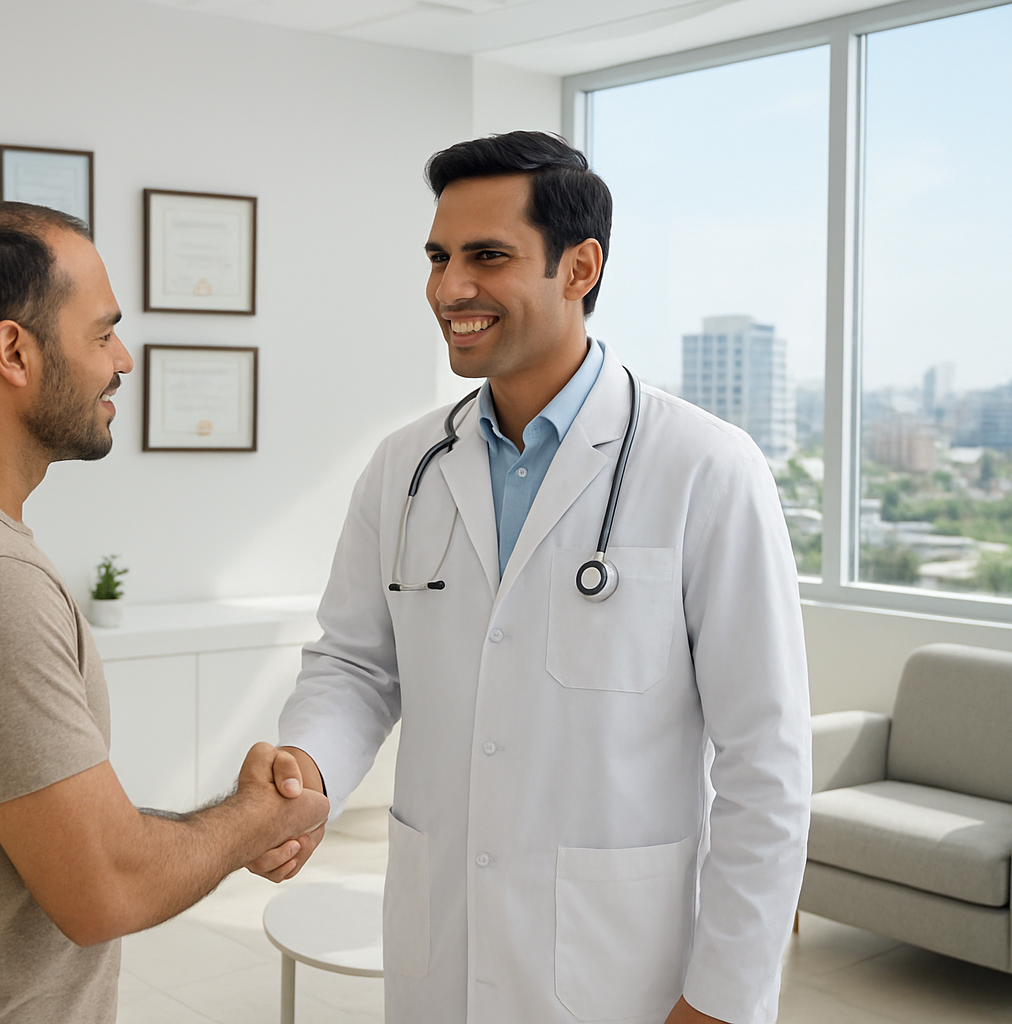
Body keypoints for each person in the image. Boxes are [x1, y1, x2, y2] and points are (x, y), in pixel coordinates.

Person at [256, 133, 811, 1024]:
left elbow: (766, 765)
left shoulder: (705, 468)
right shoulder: (405, 467)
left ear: (579, 267)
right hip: (444, 944)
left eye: (487, 257)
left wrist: (722, 998)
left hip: (621, 966)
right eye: (439, 258)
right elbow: (356, 665)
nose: (448, 289)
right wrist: (309, 768)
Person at [0, 201, 327, 1023]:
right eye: (101, 334)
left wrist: (228, 825)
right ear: (14, 350)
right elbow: (103, 890)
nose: (122, 360)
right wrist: (261, 814)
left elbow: (26, 825)